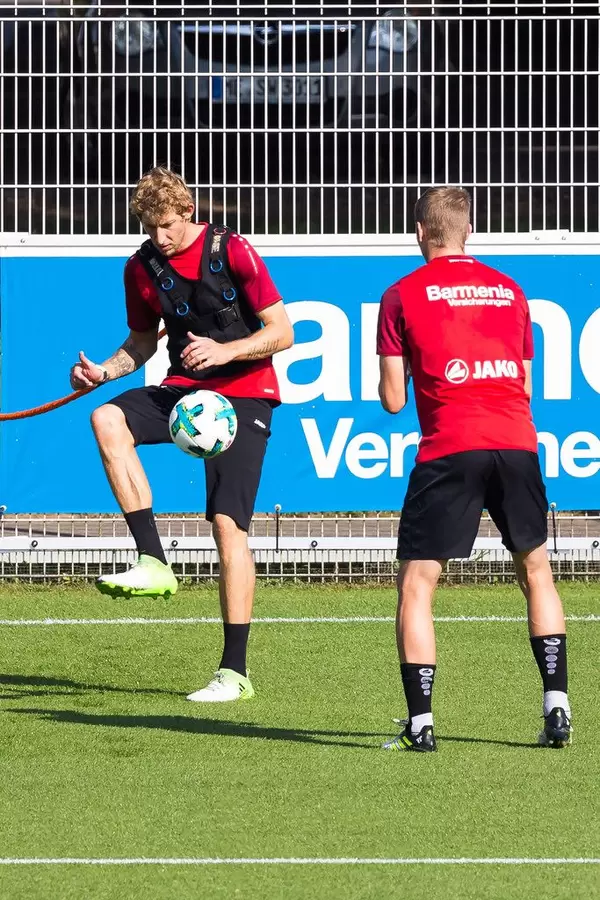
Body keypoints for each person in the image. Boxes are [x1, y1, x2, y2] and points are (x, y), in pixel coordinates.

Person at [70, 167, 293, 703]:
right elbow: (141, 345)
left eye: (167, 225)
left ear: (188, 212)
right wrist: (103, 370)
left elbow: (282, 331)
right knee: (106, 418)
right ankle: (153, 560)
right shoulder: (140, 267)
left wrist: (226, 351)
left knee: (226, 526)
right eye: (149, 227)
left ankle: (233, 673)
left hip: (244, 394)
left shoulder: (232, 250)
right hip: (183, 393)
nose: (159, 237)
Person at [376, 186, 571, 751]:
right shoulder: (511, 291)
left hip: (450, 446)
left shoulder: (401, 295)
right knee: (537, 571)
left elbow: (392, 400)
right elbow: (526, 385)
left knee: (418, 583)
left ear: (419, 232)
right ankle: (557, 706)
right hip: (516, 442)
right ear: (468, 234)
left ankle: (421, 724)